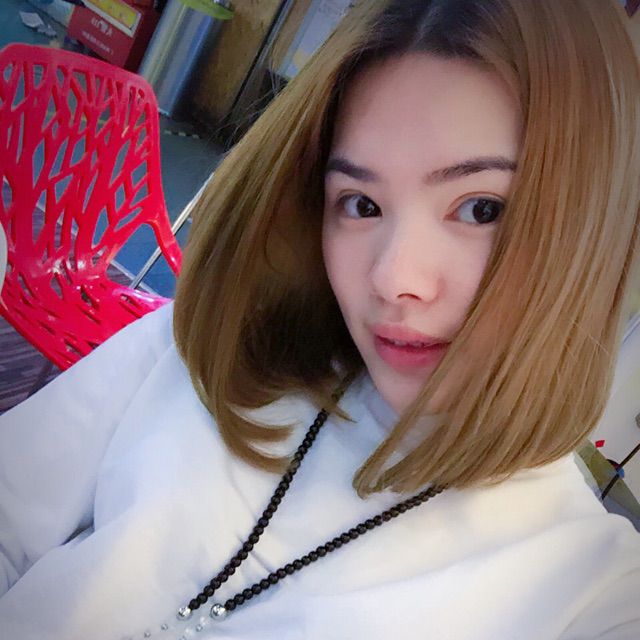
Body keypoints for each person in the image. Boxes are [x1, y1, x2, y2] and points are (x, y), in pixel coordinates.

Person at [1, 0, 639, 638]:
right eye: (361, 204)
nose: (393, 278)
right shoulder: (218, 349)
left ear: (591, 229)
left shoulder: (591, 590)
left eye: (481, 210)